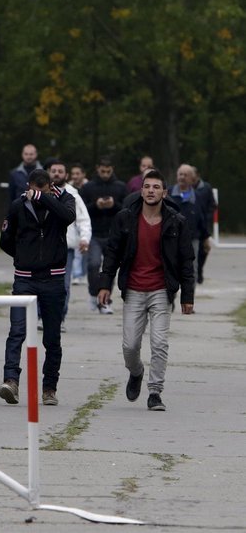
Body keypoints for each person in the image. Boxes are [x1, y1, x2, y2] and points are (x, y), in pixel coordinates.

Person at [98, 169, 195, 411]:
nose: (151, 191)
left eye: (156, 187)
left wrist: (187, 296)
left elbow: (186, 261)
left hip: (161, 290)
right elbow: (112, 253)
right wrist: (104, 284)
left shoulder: (176, 221)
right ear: (141, 191)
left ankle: (155, 393)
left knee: (160, 343)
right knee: (130, 346)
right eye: (147, 187)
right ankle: (137, 372)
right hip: (133, 289)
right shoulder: (125, 218)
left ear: (165, 192)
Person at [0, 168, 75, 407]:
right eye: (34, 191)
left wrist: (45, 199)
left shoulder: (64, 199)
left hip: (53, 278)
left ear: (50, 187)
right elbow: (5, 240)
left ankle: (49, 387)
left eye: (42, 191)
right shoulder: (18, 205)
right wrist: (24, 256)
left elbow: (67, 217)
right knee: (17, 331)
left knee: (52, 337)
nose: (37, 195)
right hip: (25, 277)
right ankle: (11, 380)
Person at [46, 158, 91, 332]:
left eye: (60, 171)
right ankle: (42, 316)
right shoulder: (38, 193)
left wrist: (85, 238)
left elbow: (83, 219)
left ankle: (59, 318)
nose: (56, 174)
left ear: (66, 175)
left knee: (63, 285)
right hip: (43, 248)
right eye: (53, 171)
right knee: (43, 284)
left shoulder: (73, 195)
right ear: (48, 173)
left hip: (66, 249)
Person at [80, 158, 129, 314]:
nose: (106, 174)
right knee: (93, 265)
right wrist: (96, 205)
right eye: (103, 171)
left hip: (113, 234)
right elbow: (80, 210)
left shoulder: (121, 187)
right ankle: (94, 293)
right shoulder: (88, 187)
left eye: (108, 171)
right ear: (97, 168)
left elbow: (127, 210)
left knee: (110, 268)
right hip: (93, 233)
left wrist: (114, 205)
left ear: (112, 169)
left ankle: (105, 300)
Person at [169, 164, 211, 286]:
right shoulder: (169, 193)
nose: (182, 177)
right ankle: (170, 301)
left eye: (185, 175)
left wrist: (206, 238)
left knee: (192, 270)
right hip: (172, 239)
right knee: (171, 270)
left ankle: (188, 301)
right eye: (180, 174)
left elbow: (201, 219)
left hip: (192, 240)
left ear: (192, 179)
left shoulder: (197, 196)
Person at [191, 166, 216, 284]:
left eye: (192, 174)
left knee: (204, 249)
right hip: (193, 224)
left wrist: (207, 215)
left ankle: (199, 269)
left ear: (197, 175)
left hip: (204, 223)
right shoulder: (186, 188)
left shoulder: (206, 188)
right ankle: (194, 271)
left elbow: (213, 204)